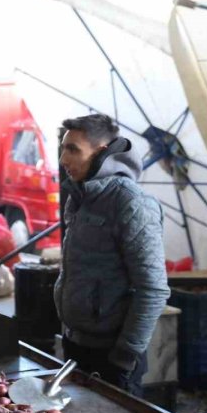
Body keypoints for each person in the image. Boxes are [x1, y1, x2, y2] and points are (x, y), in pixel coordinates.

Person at [55, 114, 168, 396]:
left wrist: (125, 356)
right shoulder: (78, 196)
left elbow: (152, 289)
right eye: (63, 148)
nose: (63, 160)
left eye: (73, 150)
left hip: (112, 355)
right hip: (75, 345)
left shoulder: (131, 204)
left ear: (101, 152)